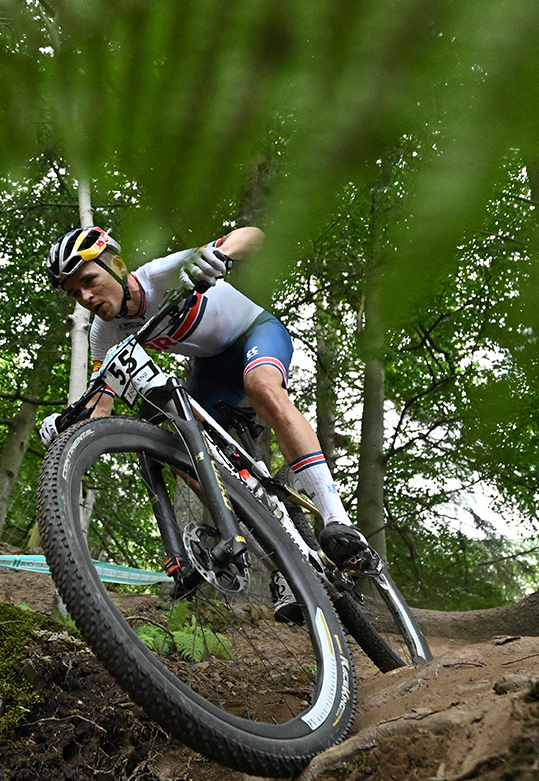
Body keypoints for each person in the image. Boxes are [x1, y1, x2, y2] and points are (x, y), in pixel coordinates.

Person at [39, 225, 376, 621]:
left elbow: (253, 235)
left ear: (117, 264)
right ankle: (285, 564)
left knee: (262, 387)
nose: (86, 297)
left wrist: (221, 255)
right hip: (211, 373)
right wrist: (68, 429)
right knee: (188, 459)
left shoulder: (162, 273)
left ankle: (338, 521)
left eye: (89, 281)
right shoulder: (105, 333)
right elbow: (101, 406)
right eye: (74, 293)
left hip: (255, 334)